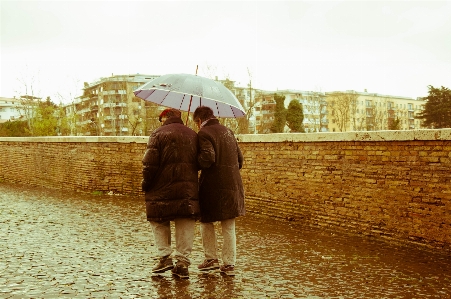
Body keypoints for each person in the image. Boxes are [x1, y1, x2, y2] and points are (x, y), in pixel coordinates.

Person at [141, 108, 200, 279]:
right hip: (187, 189)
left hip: (161, 188)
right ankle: (182, 263)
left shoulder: (157, 134)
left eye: (161, 119)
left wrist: (146, 183)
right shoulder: (193, 135)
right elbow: (200, 162)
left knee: (159, 220)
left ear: (165, 117)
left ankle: (165, 256)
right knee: (185, 221)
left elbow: (149, 164)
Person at [192, 106, 245, 276]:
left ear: (199, 121)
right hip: (232, 185)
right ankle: (229, 264)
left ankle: (211, 259)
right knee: (229, 226)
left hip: (212, 186)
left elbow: (208, 158)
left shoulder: (204, 133)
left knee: (206, 222)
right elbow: (240, 159)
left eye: (196, 124)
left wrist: (195, 162)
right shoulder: (228, 131)